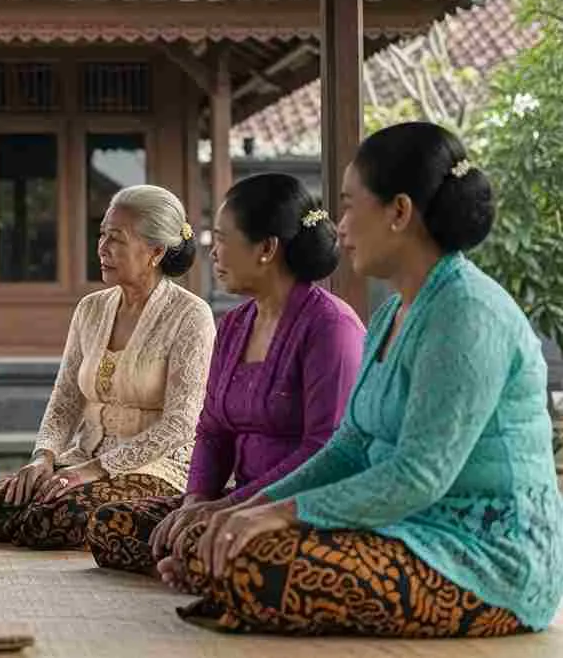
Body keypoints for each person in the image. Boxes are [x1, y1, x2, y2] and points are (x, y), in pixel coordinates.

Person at [164, 122, 563, 637]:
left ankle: (231, 580)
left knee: (248, 561)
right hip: (408, 532)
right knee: (221, 541)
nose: (341, 227)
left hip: (486, 560)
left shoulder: (466, 311)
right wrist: (251, 506)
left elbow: (419, 475)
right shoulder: (394, 311)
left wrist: (285, 513)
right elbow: (347, 448)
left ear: (399, 212)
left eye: (352, 206)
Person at [85, 173, 364, 573]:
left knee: (218, 547)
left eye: (222, 239)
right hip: (235, 499)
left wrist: (234, 506)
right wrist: (197, 499)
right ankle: (203, 565)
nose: (212, 252)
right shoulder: (234, 325)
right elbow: (213, 430)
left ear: (266, 248)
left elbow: (324, 448)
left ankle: (210, 567)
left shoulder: (330, 327)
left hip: (295, 507)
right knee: (112, 526)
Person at [0, 184, 215, 550]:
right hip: (84, 457)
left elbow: (181, 422)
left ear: (156, 251)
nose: (102, 248)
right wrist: (44, 458)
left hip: (157, 466)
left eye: (116, 239)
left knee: (53, 517)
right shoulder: (91, 308)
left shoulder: (191, 315)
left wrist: (95, 471)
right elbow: (66, 398)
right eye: (102, 234)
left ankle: (140, 519)